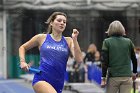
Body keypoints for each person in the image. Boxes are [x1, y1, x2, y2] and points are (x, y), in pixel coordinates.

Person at [19, 12, 83, 93]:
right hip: (41, 79)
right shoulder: (41, 38)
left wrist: (75, 39)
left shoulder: (69, 41)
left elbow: (79, 59)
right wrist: (22, 61)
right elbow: (23, 47)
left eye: (64, 22)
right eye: (59, 20)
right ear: (51, 23)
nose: (62, 23)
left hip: (58, 83)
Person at [100, 20, 137, 93]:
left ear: (110, 30)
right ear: (122, 29)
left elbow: (104, 61)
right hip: (127, 76)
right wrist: (134, 72)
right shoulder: (128, 41)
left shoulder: (107, 42)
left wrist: (103, 78)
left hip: (113, 77)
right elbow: (134, 59)